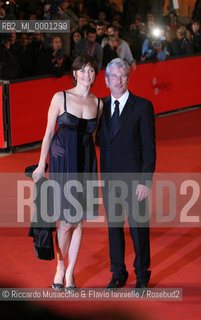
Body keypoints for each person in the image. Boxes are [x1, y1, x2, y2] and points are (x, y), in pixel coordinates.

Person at [32, 55, 103, 292]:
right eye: (82, 70)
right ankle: (60, 266)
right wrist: (42, 164)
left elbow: (92, 138)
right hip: (63, 162)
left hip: (85, 163)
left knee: (79, 220)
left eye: (91, 71)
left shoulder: (98, 103)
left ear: (96, 75)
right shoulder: (60, 97)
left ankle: (71, 271)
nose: (86, 75)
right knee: (64, 222)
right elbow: (48, 133)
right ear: (74, 73)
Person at [98, 58, 156, 289]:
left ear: (128, 78)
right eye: (114, 76)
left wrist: (145, 181)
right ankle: (118, 273)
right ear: (106, 80)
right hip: (109, 180)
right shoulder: (99, 107)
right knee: (114, 229)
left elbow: (149, 148)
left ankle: (142, 274)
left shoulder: (142, 106)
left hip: (135, 182)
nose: (119, 80)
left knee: (138, 229)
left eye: (123, 76)